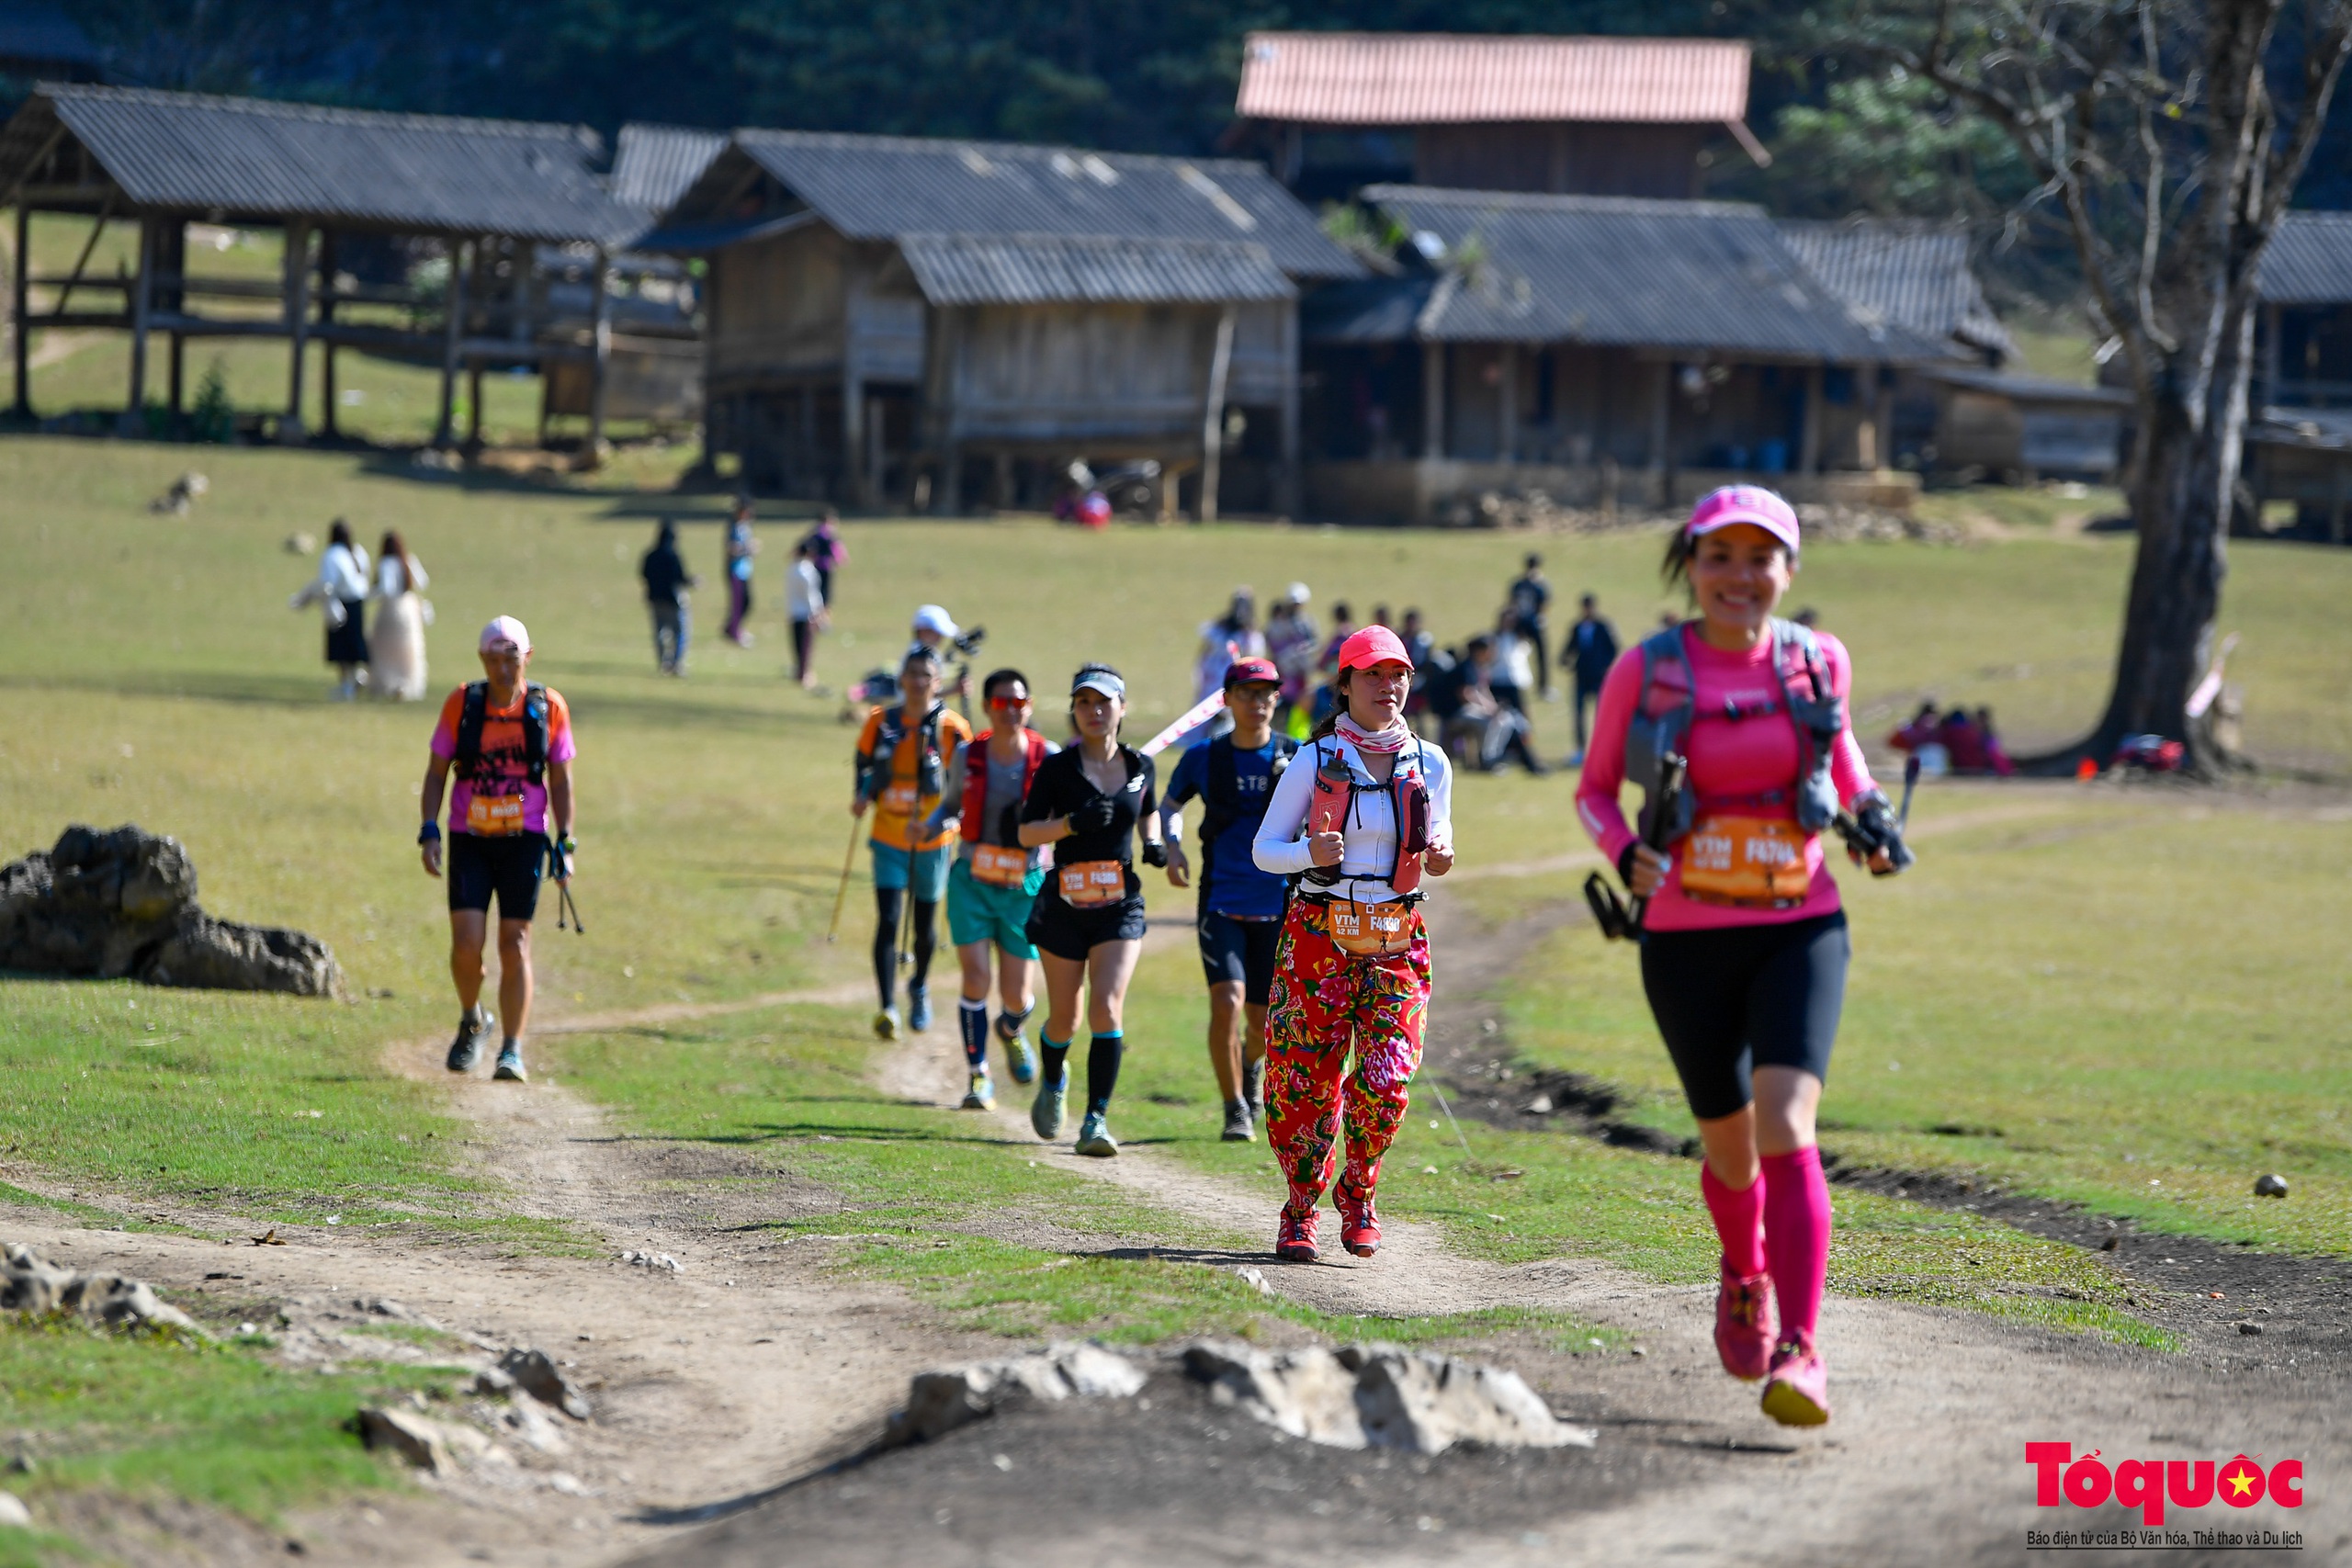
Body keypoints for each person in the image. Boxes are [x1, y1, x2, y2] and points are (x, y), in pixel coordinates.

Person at [1574, 485, 1911, 1429]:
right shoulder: (1645, 669)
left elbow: (1843, 766)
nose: (1739, 576)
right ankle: (1744, 1273)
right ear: (1691, 565)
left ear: (1787, 571)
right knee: (1728, 1149)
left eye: (1759, 558)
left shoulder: (1817, 663)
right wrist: (1622, 852)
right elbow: (1595, 792)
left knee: (1784, 1124)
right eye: (1719, 556)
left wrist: (1870, 822)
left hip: (1800, 924)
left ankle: (1803, 1351)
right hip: (1681, 937)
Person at [1251, 626, 1454, 1262]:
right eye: (1371, 674)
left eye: (1397, 674)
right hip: (1318, 933)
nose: (1386, 686)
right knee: (1303, 1082)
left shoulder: (1432, 761)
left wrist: (1444, 853)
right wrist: (1307, 853)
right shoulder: (1313, 761)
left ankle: (1360, 1193)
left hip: (1398, 937)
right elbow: (1264, 851)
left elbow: (1441, 836)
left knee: (1387, 1078)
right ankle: (1301, 1208)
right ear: (1344, 684)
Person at [419, 616, 576, 1085]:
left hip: (525, 837)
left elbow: (561, 780)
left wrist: (565, 842)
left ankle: (511, 1049)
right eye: (493, 659)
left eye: (511, 659)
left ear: (527, 658)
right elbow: (435, 772)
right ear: (482, 660)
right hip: (469, 837)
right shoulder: (462, 704)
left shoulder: (547, 708)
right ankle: (473, 1018)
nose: (503, 669)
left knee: (515, 944)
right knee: (466, 945)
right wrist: (429, 830)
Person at [1017, 665, 1162, 1156]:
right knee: (1065, 1020)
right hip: (1064, 903)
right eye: (1084, 704)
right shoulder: (1057, 769)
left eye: (1104, 703)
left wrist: (1157, 842)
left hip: (1120, 903)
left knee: (1106, 1007)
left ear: (1122, 707)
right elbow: (1026, 832)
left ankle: (1095, 1120)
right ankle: (1054, 1078)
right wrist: (1070, 825)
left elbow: (1148, 810)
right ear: (1074, 710)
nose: (1094, 712)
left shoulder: (1141, 764)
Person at [1159, 657, 1297, 1143]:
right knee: (1227, 1002)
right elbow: (1169, 805)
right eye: (1246, 693)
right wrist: (1170, 847)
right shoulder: (1205, 757)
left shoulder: (1295, 757)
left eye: (1266, 694)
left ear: (1277, 699)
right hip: (1220, 901)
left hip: (1277, 905)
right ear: (1227, 700)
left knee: (1261, 1024)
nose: (1257, 703)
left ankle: (1250, 1069)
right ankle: (1234, 1107)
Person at [925, 669, 1052, 1110]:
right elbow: (950, 803)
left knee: (1018, 994)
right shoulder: (968, 754)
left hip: (1024, 884)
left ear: (1029, 706)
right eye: (1001, 704)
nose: (1010, 711)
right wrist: (930, 826)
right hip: (973, 880)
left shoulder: (1046, 756)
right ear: (986, 707)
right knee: (976, 977)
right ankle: (978, 1076)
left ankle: (1011, 1029)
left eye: (1018, 703)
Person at [853, 645, 973, 1041]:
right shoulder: (881, 721)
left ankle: (919, 986)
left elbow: (967, 781)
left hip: (933, 840)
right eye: (912, 674)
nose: (918, 682)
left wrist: (958, 818)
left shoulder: (954, 728)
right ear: (901, 679)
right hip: (888, 835)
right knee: (888, 920)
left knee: (924, 927)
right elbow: (863, 760)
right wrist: (861, 794)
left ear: (938, 682)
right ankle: (887, 1006)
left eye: (926, 675)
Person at [291, 519, 370, 700]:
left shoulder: (332, 554)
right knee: (355, 643)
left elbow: (328, 583)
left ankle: (346, 687)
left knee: (341, 648)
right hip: (358, 602)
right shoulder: (357, 552)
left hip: (341, 603)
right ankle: (356, 677)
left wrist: (310, 597)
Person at [1193, 589, 1270, 743]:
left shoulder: (1250, 634)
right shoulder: (1219, 629)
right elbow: (1205, 652)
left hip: (1236, 677)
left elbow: (1254, 658)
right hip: (1214, 677)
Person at [368, 529, 431, 702]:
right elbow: (423, 581)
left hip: (390, 610)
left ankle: (386, 684)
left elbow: (385, 589)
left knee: (384, 650)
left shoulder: (386, 563)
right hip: (409, 609)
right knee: (407, 650)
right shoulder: (408, 560)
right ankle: (405, 684)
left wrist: (369, 593)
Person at [1564, 592, 1620, 763]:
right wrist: (1566, 659)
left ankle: (1601, 749)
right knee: (1579, 713)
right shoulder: (1577, 626)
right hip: (1581, 675)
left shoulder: (1604, 626)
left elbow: (1613, 647)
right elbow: (1570, 647)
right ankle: (1580, 749)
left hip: (1598, 676)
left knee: (1601, 713)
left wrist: (1605, 666)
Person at [640, 518, 696, 676]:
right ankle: (677, 663)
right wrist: (693, 581)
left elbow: (643, 574)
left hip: (655, 599)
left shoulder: (650, 555)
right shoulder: (673, 556)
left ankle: (663, 663)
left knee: (660, 632)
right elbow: (679, 577)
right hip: (672, 599)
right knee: (680, 631)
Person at [1265, 583, 1318, 736]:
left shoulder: (1307, 623)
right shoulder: (1278, 623)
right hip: (1282, 677)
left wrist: (1303, 653)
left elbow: (1315, 644)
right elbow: (1271, 644)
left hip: (1300, 679)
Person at [1509, 553, 1553, 698]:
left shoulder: (1520, 584)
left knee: (1541, 656)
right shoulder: (1537, 584)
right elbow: (1543, 604)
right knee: (1516, 654)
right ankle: (1521, 683)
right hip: (1528, 623)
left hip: (1526, 623)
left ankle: (1542, 686)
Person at [786, 540, 828, 690]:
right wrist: (817, 613)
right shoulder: (808, 571)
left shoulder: (792, 568)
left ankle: (799, 671)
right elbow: (812, 595)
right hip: (807, 614)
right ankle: (804, 675)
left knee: (797, 645)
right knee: (805, 647)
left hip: (793, 612)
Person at [722, 500, 760, 647]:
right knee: (738, 604)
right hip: (735, 570)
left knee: (747, 602)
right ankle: (735, 633)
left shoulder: (746, 527)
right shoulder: (733, 528)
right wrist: (747, 549)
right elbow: (731, 549)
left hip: (745, 570)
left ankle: (732, 627)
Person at [799, 509, 846, 606]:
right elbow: (835, 547)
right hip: (826, 564)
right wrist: (839, 559)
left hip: (816, 563)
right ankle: (824, 608)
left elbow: (807, 544)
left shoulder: (814, 531)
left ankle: (817, 607)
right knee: (825, 589)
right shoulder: (829, 532)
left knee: (816, 587)